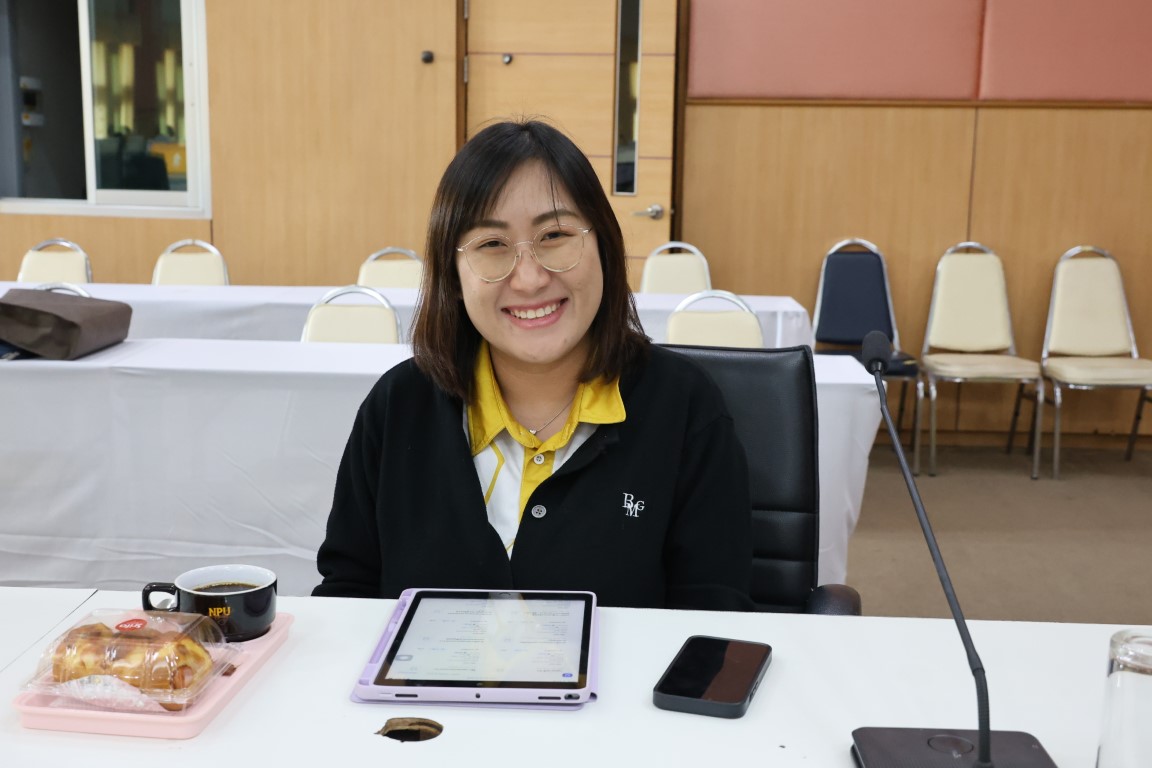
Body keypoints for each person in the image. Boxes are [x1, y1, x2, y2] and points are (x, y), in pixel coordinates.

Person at [313, 119, 752, 611]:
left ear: (604, 246)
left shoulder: (684, 406)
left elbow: (715, 615)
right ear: (453, 275)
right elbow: (346, 600)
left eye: (555, 234)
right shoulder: (398, 406)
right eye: (492, 245)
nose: (529, 279)